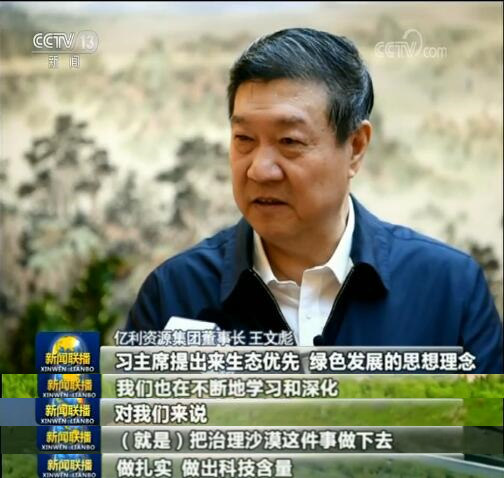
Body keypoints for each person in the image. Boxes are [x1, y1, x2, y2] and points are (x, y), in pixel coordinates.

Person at [126, 28, 503, 373]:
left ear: (355, 147)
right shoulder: (174, 292)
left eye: (289, 141)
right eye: (244, 140)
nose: (260, 170)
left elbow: (485, 427)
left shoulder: (449, 289)